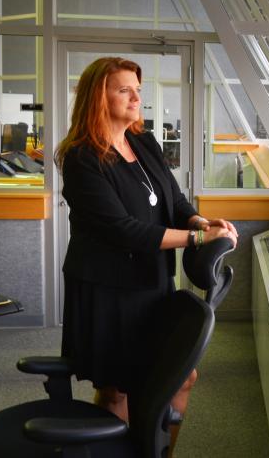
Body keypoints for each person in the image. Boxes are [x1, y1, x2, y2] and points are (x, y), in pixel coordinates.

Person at [54, 57, 237, 451]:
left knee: (181, 378)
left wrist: (201, 223)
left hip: (153, 283)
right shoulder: (82, 158)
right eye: (124, 89)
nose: (137, 97)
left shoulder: (144, 141)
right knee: (118, 390)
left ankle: (158, 451)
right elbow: (124, 231)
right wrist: (195, 242)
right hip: (108, 290)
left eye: (138, 90)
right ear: (97, 97)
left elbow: (175, 200)